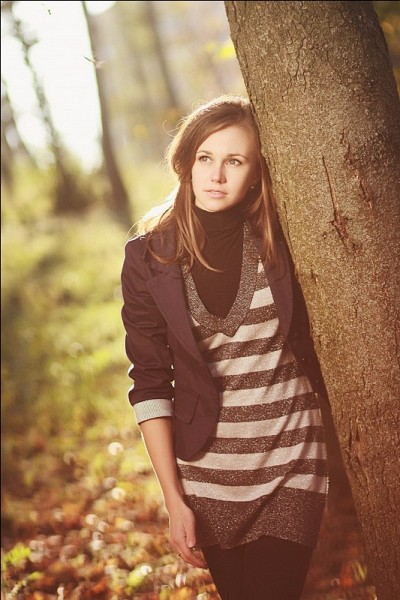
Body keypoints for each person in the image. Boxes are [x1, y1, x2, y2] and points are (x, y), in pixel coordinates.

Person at [121, 95, 329, 600]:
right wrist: (174, 499)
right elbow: (150, 383)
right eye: (205, 158)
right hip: (207, 476)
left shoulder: (282, 237)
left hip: (291, 455)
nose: (216, 175)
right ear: (186, 163)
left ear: (256, 174)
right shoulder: (147, 258)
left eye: (234, 161)